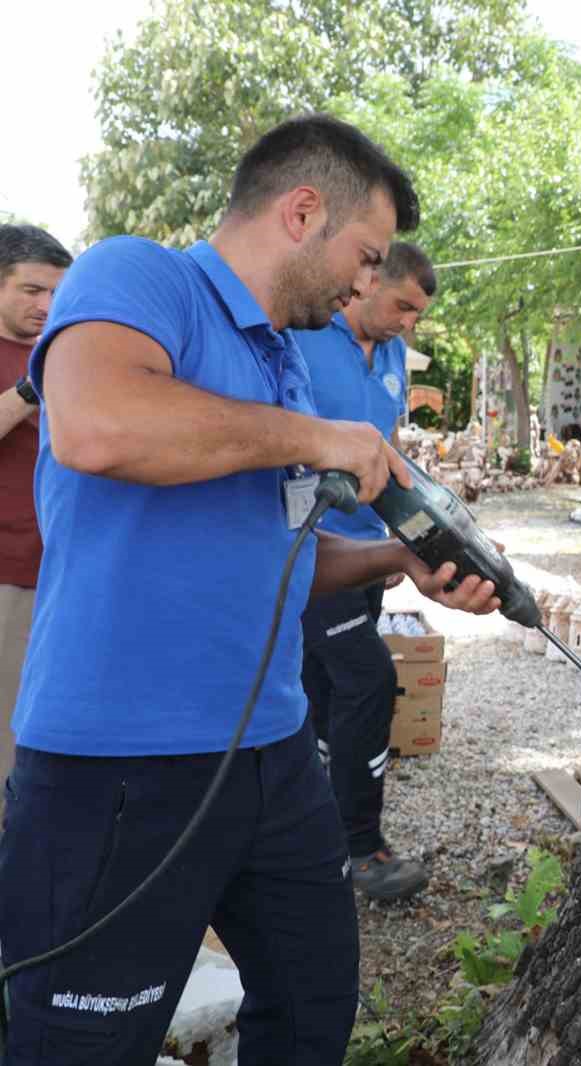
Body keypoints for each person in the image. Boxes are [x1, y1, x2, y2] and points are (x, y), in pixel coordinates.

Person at [0, 113, 501, 1065]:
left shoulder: (283, 365)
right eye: (365, 254)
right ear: (302, 211)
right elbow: (98, 425)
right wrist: (317, 441)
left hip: (274, 759)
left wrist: (401, 562)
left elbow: (287, 561)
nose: (369, 281)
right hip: (120, 767)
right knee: (83, 1045)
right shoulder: (138, 276)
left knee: (313, 1007)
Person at [291, 241, 435, 899]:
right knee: (369, 680)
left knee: (322, 694)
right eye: (403, 304)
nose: (409, 322)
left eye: (417, 314)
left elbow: (390, 447)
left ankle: (311, 831)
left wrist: (405, 532)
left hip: (369, 552)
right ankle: (360, 848)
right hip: (309, 552)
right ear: (369, 280)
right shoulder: (306, 335)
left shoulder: (396, 353)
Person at [0, 225, 71, 806]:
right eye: (31, 290)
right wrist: (31, 387)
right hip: (7, 573)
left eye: (56, 292)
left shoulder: (67, 351)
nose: (46, 305)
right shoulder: (40, 367)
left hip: (64, 570)